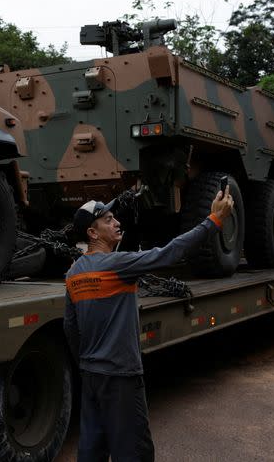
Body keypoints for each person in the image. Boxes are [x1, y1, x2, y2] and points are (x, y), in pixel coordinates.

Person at [64, 187, 234, 462]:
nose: (117, 222)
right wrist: (213, 221)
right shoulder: (118, 265)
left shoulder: (73, 274)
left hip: (92, 376)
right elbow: (170, 253)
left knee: (92, 452)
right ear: (92, 234)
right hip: (121, 377)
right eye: (107, 220)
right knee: (135, 452)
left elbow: (71, 329)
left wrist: (87, 365)